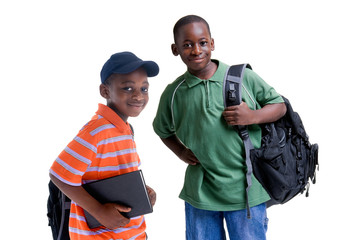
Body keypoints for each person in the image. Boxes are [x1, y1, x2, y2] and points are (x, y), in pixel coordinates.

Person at [152, 15, 287, 240]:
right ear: (175, 49)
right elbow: (162, 130)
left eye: (202, 42)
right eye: (187, 45)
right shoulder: (174, 92)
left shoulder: (242, 78)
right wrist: (181, 152)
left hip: (246, 190)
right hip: (200, 194)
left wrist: (252, 116)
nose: (196, 50)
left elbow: (279, 106)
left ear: (212, 44)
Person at [49, 51, 158, 240]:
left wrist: (143, 191)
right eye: (128, 88)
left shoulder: (125, 129)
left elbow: (119, 175)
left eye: (144, 89)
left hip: (131, 232)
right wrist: (99, 211)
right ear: (105, 91)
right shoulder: (98, 131)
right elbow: (59, 174)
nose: (139, 96)